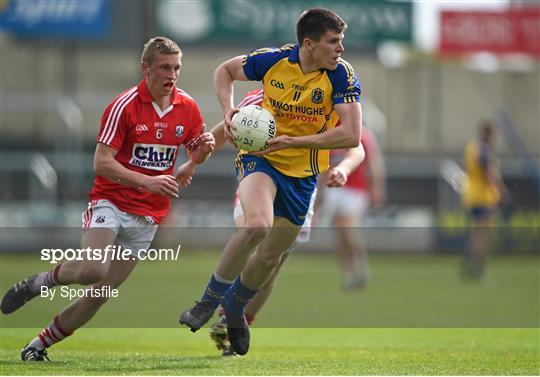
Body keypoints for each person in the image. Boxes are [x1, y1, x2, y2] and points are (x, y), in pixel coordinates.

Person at [0, 36, 215, 361]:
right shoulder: (125, 106)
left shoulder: (187, 107)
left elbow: (194, 151)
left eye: (177, 68)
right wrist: (149, 181)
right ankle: (39, 282)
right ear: (146, 68)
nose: (171, 75)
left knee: (100, 294)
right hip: (110, 203)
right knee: (92, 271)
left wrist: (201, 154)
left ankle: (37, 346)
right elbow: (101, 162)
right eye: (164, 67)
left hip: (149, 216)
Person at [179, 8, 363, 356]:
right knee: (256, 227)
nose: (340, 48)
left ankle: (235, 310)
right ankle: (207, 303)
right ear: (309, 44)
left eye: (341, 41)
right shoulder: (274, 60)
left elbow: (351, 135)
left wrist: (296, 142)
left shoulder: (342, 76)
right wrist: (227, 111)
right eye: (334, 41)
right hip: (260, 159)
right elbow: (225, 71)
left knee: (271, 259)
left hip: (303, 175)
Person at [318, 125, 385, 290]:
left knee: (345, 227)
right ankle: (348, 273)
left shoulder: (361, 135)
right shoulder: (330, 132)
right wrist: (319, 192)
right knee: (339, 234)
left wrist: (377, 187)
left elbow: (374, 162)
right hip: (333, 189)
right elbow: (323, 166)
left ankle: (361, 264)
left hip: (355, 190)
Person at [460, 120, 510, 279]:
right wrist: (502, 192)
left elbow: (466, 168)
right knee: (484, 234)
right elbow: (489, 173)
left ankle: (469, 261)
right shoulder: (484, 150)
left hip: (471, 195)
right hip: (483, 196)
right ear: (489, 134)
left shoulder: (471, 147)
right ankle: (477, 267)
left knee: (476, 232)